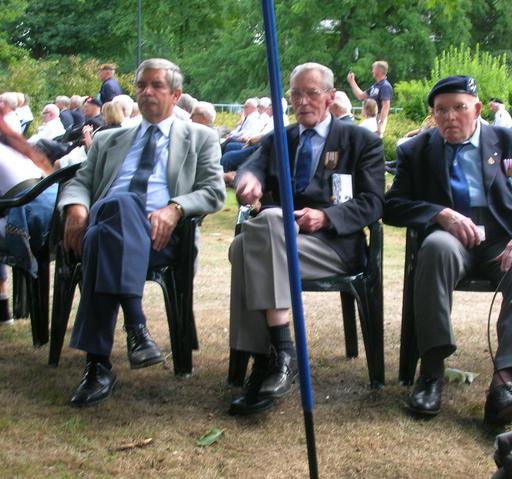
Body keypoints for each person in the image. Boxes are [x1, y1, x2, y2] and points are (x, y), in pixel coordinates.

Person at [384, 75, 512, 425]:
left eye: (459, 108)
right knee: (435, 247)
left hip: (504, 238)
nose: (450, 117)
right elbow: (392, 206)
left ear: (478, 109)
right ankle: (432, 371)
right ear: (433, 114)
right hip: (452, 238)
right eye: (441, 110)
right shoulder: (415, 150)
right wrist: (439, 213)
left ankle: (505, 384)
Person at [58, 58, 226, 407]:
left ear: (176, 95)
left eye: (156, 86)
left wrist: (175, 207)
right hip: (109, 224)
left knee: (105, 233)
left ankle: (98, 366)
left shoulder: (200, 137)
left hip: (161, 239)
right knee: (119, 205)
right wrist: (75, 207)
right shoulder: (110, 139)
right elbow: (81, 182)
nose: (146, 92)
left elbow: (214, 192)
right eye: (141, 86)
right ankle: (136, 328)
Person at [228, 62, 384, 416]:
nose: (302, 101)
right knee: (253, 237)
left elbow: (374, 204)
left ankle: (268, 360)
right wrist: (247, 181)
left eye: (311, 93)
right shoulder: (282, 138)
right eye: (295, 94)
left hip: (332, 245)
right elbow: (252, 164)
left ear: (330, 97)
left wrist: (327, 216)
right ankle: (277, 355)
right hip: (279, 237)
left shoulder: (362, 141)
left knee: (249, 242)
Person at [0, 113, 53, 326]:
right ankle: (2, 306)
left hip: (29, 228)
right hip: (51, 225)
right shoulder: (18, 148)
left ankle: (2, 306)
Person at [346, 60, 393, 137]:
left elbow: (386, 105)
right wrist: (352, 81)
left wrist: (380, 123)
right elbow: (360, 96)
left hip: (377, 119)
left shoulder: (385, 86)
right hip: (371, 119)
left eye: (373, 69)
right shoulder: (375, 86)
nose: (372, 71)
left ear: (378, 71)